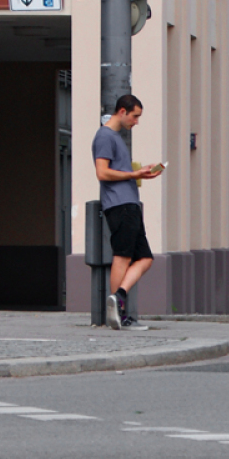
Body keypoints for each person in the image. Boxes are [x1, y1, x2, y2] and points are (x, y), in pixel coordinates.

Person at [92, 93, 163, 331]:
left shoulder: (113, 138)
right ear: (122, 111)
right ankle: (118, 312)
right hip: (119, 204)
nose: (136, 122)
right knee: (122, 255)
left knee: (145, 258)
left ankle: (118, 297)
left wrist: (140, 173)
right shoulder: (105, 136)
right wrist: (134, 175)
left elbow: (115, 170)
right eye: (135, 116)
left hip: (128, 203)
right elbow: (102, 173)